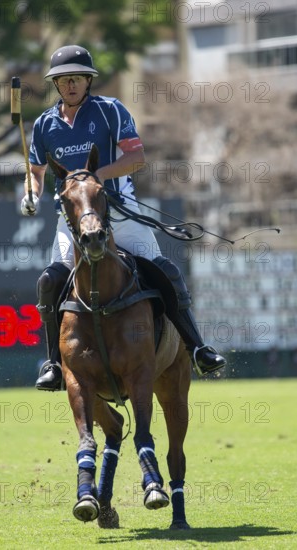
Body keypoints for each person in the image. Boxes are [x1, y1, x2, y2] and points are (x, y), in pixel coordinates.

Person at [21, 45, 226, 391]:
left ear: (88, 80)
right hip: (72, 221)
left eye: (76, 78)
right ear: (56, 84)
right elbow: (36, 171)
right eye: (63, 80)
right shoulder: (45, 124)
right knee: (49, 281)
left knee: (165, 270)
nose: (70, 85)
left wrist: (94, 177)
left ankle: (198, 348)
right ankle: (53, 364)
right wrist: (31, 192)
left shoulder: (110, 111)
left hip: (117, 210)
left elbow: (136, 157)